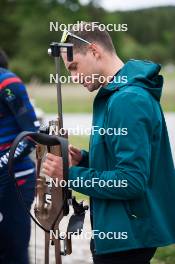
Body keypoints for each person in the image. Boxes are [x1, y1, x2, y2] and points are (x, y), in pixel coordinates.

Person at [43, 22, 175, 264]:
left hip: (129, 238)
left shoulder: (128, 100)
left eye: (74, 67)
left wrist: (69, 174)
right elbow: (123, 159)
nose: (73, 77)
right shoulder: (116, 94)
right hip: (120, 231)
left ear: (94, 51)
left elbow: (131, 180)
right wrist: (83, 159)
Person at [0, 49, 40, 263]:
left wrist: (1, 163)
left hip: (16, 177)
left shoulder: (7, 82)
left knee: (14, 251)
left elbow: (32, 134)